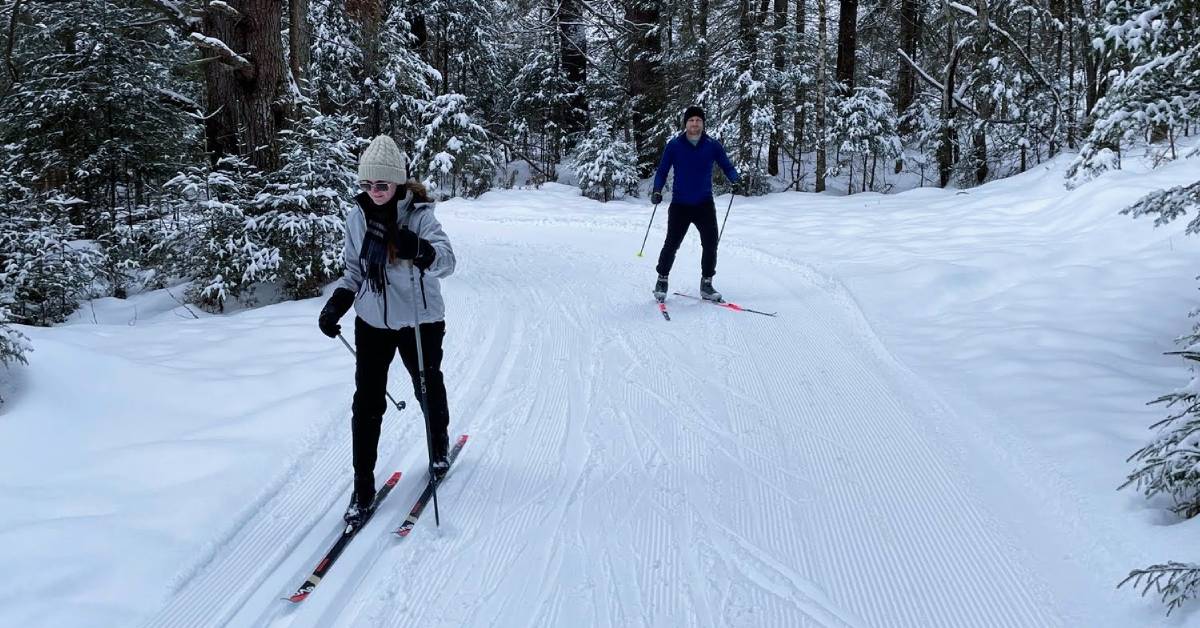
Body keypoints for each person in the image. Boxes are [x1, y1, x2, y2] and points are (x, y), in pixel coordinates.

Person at [317, 135, 457, 527]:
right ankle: (363, 485)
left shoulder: (420, 215)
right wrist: (336, 305)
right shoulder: (357, 217)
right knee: (367, 402)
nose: (374, 192)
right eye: (367, 184)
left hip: (419, 320)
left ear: (397, 183)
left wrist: (420, 249)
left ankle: (438, 445)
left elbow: (447, 261)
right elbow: (353, 271)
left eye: (382, 185)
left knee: (426, 385)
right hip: (372, 322)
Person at [649, 105, 740, 303]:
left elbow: (726, 165)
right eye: (691, 120)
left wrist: (735, 179)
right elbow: (662, 170)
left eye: (698, 120)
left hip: (704, 204)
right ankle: (662, 280)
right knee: (671, 244)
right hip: (680, 204)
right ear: (686, 123)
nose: (695, 123)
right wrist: (657, 190)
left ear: (703, 123)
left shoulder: (712, 145)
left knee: (710, 244)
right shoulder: (674, 145)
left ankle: (706, 284)